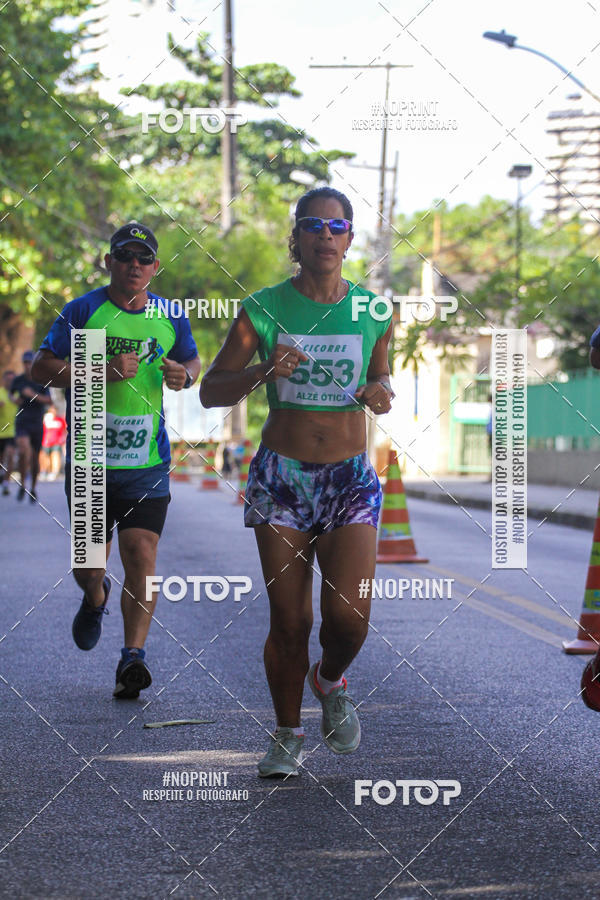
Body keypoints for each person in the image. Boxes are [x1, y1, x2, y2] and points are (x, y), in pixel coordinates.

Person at [200, 187, 393, 776]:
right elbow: (211, 390)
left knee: (348, 620)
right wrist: (261, 370)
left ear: (351, 239)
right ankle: (287, 734)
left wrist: (381, 392)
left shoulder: (375, 311)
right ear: (299, 237)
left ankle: (330, 679)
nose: (327, 236)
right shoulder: (263, 308)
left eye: (339, 228)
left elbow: (381, 377)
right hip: (282, 479)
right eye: (315, 226)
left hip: (350, 480)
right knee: (291, 621)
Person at [31, 222, 201, 699]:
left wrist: (182, 376)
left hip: (146, 463)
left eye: (143, 258)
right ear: (109, 261)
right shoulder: (83, 310)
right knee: (89, 567)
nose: (134, 265)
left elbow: (192, 362)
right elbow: (41, 368)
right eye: (125, 255)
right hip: (89, 461)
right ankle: (94, 594)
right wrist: (97, 368)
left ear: (155, 267)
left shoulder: (171, 314)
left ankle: (133, 658)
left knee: (142, 556)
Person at [10, 351, 52, 502]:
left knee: (35, 459)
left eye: (30, 362)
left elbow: (49, 400)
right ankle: (22, 484)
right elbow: (11, 394)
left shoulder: (41, 380)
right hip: (22, 421)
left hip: (36, 422)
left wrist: (32, 394)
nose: (27, 365)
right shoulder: (19, 380)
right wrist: (15, 399)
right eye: (25, 363)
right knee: (23, 450)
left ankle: (33, 487)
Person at [0, 369, 18, 495]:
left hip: (13, 431)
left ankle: (6, 483)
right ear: (3, 380)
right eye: (8, 379)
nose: (10, 382)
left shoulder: (17, 395)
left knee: (10, 455)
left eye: (13, 380)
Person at [41, 405, 67, 480]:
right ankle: (46, 471)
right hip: (46, 442)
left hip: (57, 441)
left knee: (55, 455)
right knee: (46, 457)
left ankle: (54, 472)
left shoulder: (59, 420)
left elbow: (64, 429)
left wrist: (63, 439)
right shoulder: (45, 419)